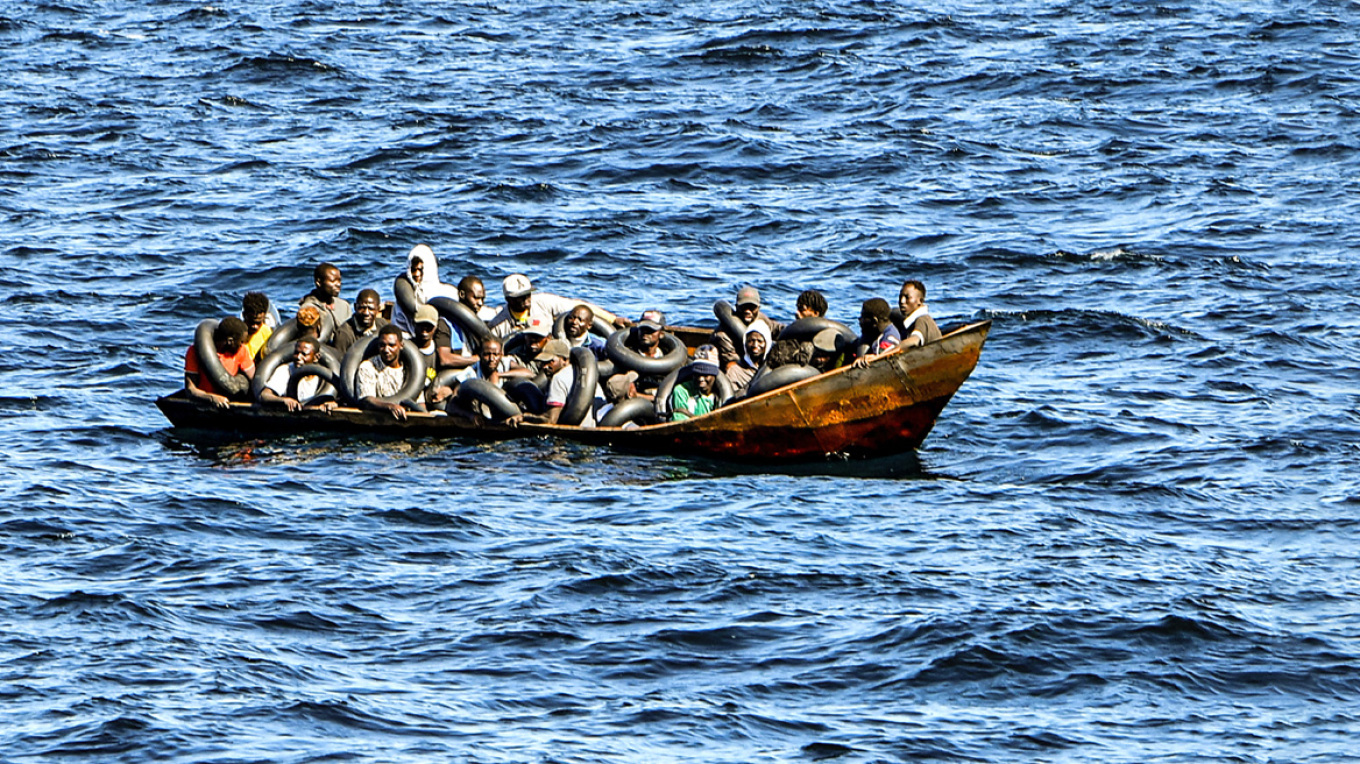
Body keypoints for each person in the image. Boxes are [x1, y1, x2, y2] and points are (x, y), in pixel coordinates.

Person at [487, 273, 628, 339]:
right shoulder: (498, 324)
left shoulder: (543, 301)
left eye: (528, 293)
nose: (526, 299)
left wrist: (613, 319)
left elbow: (579, 306)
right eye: (520, 296)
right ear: (509, 299)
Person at [512, 339, 607, 427]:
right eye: (543, 363)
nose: (545, 367)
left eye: (550, 362)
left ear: (565, 360)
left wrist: (524, 417)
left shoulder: (558, 378)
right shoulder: (582, 374)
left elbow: (550, 420)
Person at [184, 316, 255, 408]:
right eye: (241, 342)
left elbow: (253, 377)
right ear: (230, 341)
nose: (243, 345)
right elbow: (190, 389)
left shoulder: (242, 350)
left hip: (232, 397)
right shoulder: (194, 351)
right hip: (205, 401)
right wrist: (211, 398)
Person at [713, 286, 785, 373]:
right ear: (736, 307)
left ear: (758, 308)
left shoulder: (761, 319)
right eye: (743, 307)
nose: (747, 311)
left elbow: (778, 329)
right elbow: (732, 364)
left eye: (752, 307)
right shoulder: (723, 335)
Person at [392, 244, 457, 337]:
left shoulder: (448, 293)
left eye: (420, 269)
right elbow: (398, 328)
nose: (416, 274)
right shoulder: (403, 300)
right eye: (413, 270)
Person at [259, 337, 337, 413]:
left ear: (316, 357)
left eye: (304, 354)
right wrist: (284, 400)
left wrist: (331, 403)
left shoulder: (324, 376)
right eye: (296, 353)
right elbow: (265, 395)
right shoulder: (285, 370)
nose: (298, 357)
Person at [605, 310, 667, 402]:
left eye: (650, 330)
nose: (645, 333)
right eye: (642, 329)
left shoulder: (668, 356)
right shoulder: (627, 356)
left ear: (661, 334)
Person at [355, 325, 412, 420]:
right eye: (382, 345)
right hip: (376, 421)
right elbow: (366, 400)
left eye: (391, 345)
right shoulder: (368, 367)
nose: (386, 350)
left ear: (401, 345)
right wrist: (390, 407)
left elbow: (419, 401)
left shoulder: (409, 370)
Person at [331, 288, 388, 356]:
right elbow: (338, 360)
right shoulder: (343, 334)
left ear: (378, 309)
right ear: (355, 307)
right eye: (362, 308)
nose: (366, 313)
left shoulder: (382, 325)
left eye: (371, 309)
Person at [670, 345, 721, 421]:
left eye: (705, 375)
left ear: (714, 375)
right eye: (697, 374)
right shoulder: (682, 391)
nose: (700, 379)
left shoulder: (720, 396)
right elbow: (680, 422)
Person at [299, 262, 352, 326]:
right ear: (318, 282)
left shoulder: (344, 306)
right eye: (333, 281)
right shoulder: (308, 309)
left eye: (339, 280)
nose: (338, 284)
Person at [852, 297, 900, 368]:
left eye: (863, 318)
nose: (860, 321)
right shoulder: (877, 334)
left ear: (874, 321)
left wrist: (867, 358)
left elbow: (882, 356)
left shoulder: (890, 337)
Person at [725, 321, 771, 394]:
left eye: (760, 341)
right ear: (745, 343)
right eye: (751, 341)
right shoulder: (735, 371)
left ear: (767, 344)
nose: (755, 345)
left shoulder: (771, 366)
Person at [897, 279, 942, 348]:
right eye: (900, 297)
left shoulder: (922, 319)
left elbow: (915, 340)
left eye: (907, 297)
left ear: (920, 301)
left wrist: (891, 350)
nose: (902, 301)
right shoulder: (916, 321)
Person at [241, 292, 275, 361]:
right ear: (244, 315)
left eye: (258, 323)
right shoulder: (237, 332)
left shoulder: (267, 333)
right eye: (251, 322)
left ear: (264, 316)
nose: (255, 326)